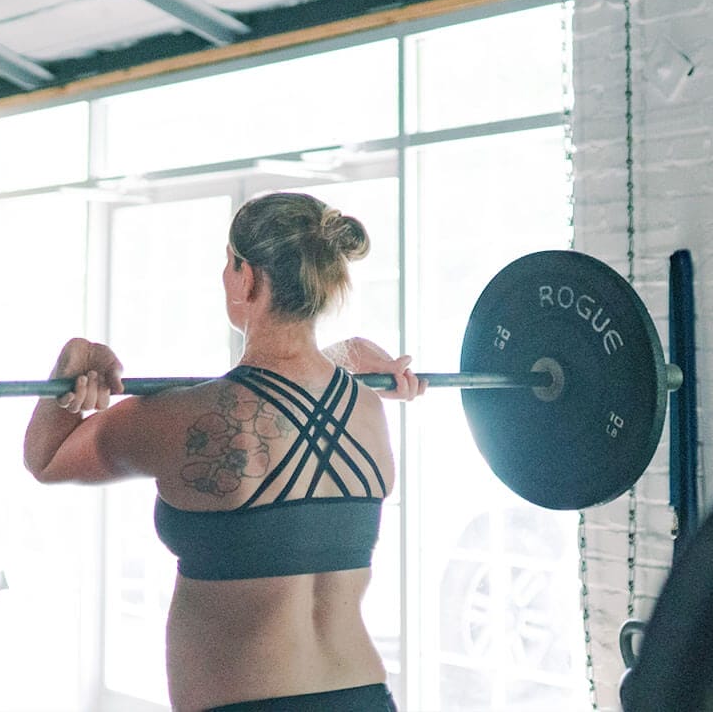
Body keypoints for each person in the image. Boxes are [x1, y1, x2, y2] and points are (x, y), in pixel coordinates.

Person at [23, 192, 426, 712]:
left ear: (247, 277)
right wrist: (347, 355)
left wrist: (71, 365)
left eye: (227, 263)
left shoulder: (184, 417)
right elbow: (294, 390)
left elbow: (48, 458)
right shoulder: (365, 408)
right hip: (365, 695)